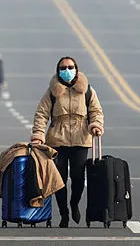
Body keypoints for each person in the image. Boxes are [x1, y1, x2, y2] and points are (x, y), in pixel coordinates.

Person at [30, 56, 104, 228]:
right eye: (63, 68)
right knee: (59, 180)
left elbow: (96, 110)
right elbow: (41, 114)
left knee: (78, 178)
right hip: (57, 140)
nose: (67, 70)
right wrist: (38, 134)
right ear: (58, 70)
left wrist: (96, 125)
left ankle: (74, 204)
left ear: (76, 69)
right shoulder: (52, 92)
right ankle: (64, 213)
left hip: (80, 140)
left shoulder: (87, 91)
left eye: (70, 67)